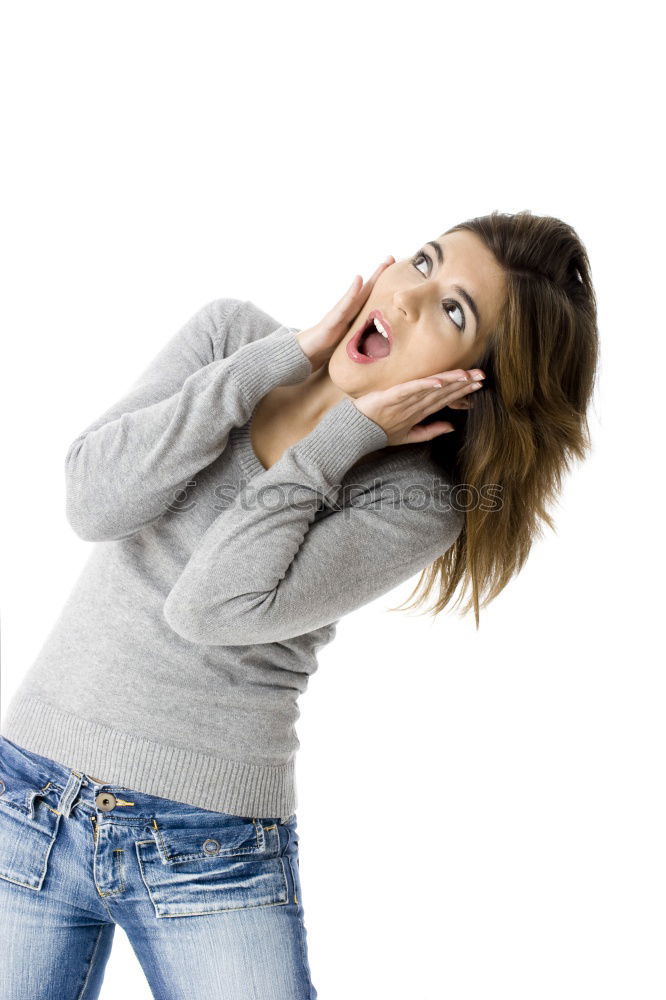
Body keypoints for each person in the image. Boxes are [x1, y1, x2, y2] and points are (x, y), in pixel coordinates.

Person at [0, 209, 599, 998]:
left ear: (474, 380)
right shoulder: (231, 338)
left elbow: (209, 607)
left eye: (456, 311)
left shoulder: (418, 502)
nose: (411, 297)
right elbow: (91, 501)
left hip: (206, 843)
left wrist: (340, 434)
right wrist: (275, 363)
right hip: (28, 797)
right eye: (422, 261)